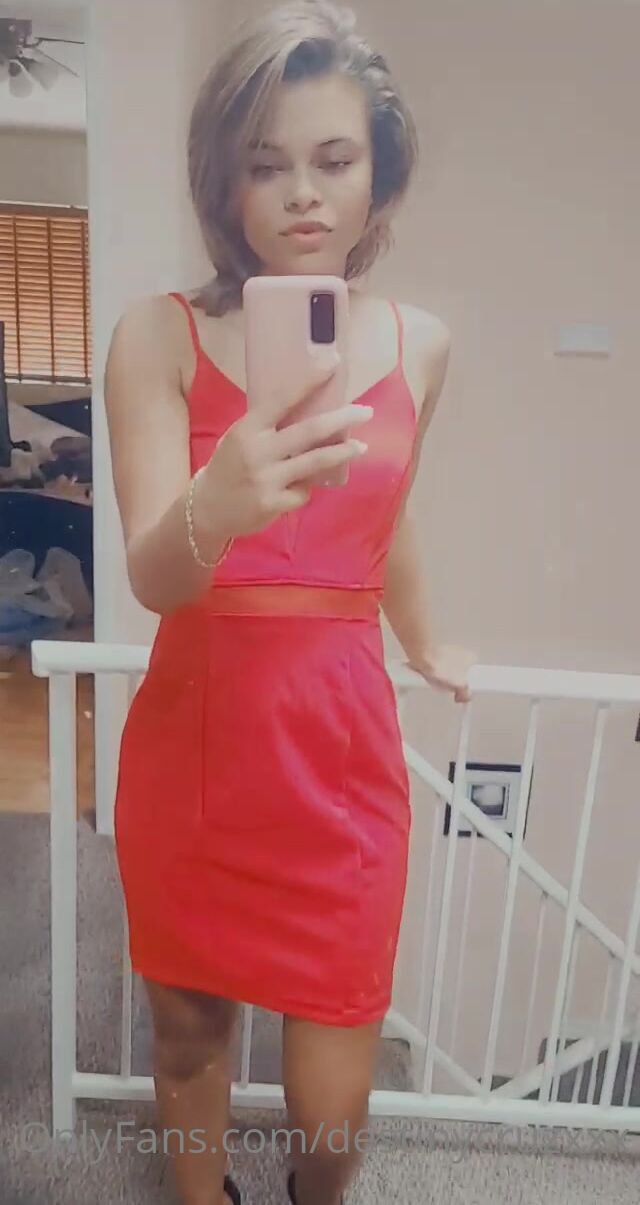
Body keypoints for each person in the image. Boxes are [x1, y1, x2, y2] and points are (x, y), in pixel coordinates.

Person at [104, 3, 476, 1203]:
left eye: (333, 159)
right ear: (226, 182)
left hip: (339, 751)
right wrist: (219, 501)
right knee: (186, 1041)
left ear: (379, 177)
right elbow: (154, 575)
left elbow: (387, 509)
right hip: (198, 742)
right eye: (265, 164)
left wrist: (424, 636)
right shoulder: (156, 336)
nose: (302, 194)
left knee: (332, 1106)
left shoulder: (420, 343)